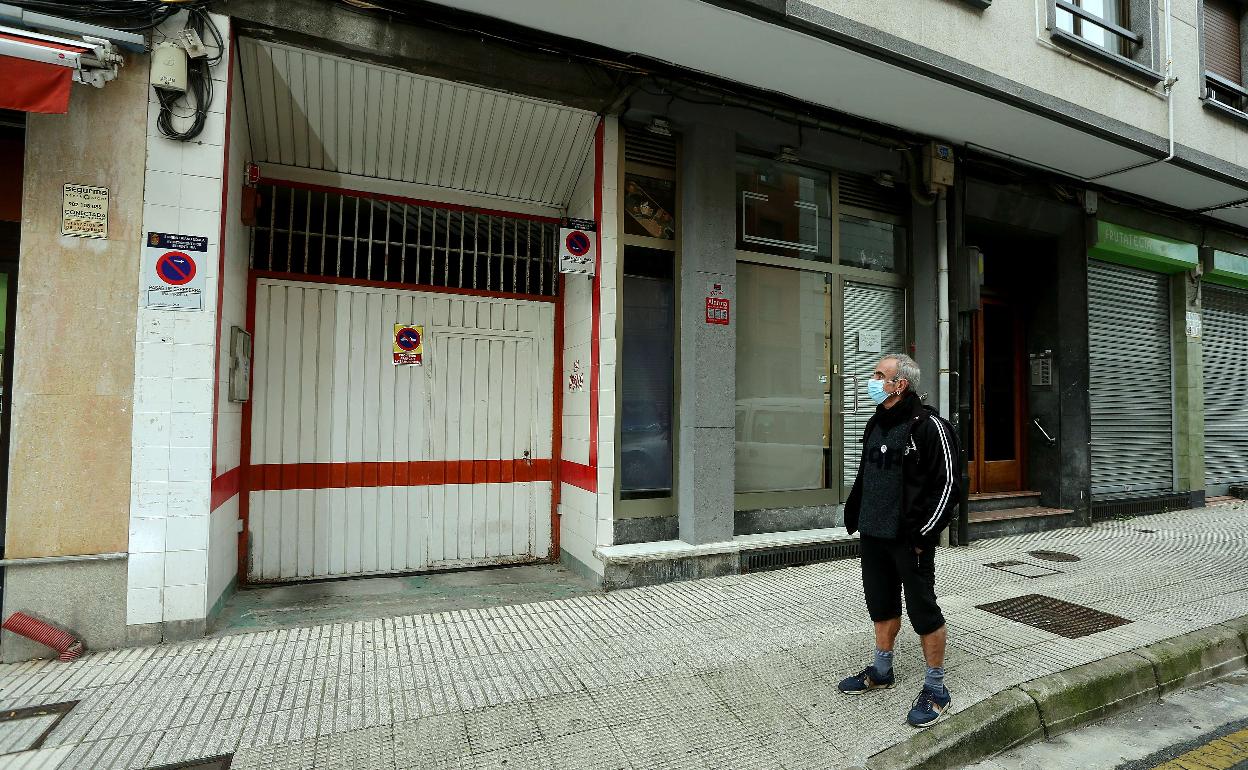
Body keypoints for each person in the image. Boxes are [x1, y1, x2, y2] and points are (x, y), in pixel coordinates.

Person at [837, 353, 959, 728]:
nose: (873, 381)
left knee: (923, 611)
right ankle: (882, 670)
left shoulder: (929, 426)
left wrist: (925, 534)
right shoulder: (875, 422)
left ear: (899, 384)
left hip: (910, 540)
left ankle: (936, 689)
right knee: (881, 606)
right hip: (874, 535)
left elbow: (951, 483)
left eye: (879, 375)